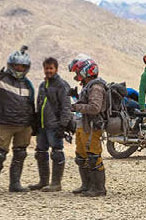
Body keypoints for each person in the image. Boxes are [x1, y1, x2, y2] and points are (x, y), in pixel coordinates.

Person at [0, 46, 36, 196]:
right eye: (17, 65)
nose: (20, 68)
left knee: (20, 153)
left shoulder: (27, 84)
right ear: (11, 65)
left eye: (23, 66)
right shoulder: (1, 79)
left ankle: (15, 183)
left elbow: (31, 103)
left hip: (24, 125)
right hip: (6, 123)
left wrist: (33, 124)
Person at [29, 57, 75, 192]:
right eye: (46, 68)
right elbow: (39, 104)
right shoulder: (43, 85)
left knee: (57, 152)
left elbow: (66, 106)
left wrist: (62, 125)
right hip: (43, 125)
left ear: (56, 69)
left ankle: (56, 183)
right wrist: (36, 123)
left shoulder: (61, 85)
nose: (48, 71)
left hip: (55, 125)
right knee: (41, 152)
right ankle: (43, 181)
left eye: (51, 68)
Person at [69, 55, 108, 197]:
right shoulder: (88, 86)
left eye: (78, 72)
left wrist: (76, 107)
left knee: (93, 156)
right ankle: (86, 185)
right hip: (84, 126)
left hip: (92, 127)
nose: (77, 76)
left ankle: (98, 188)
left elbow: (94, 108)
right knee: (81, 156)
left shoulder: (96, 87)